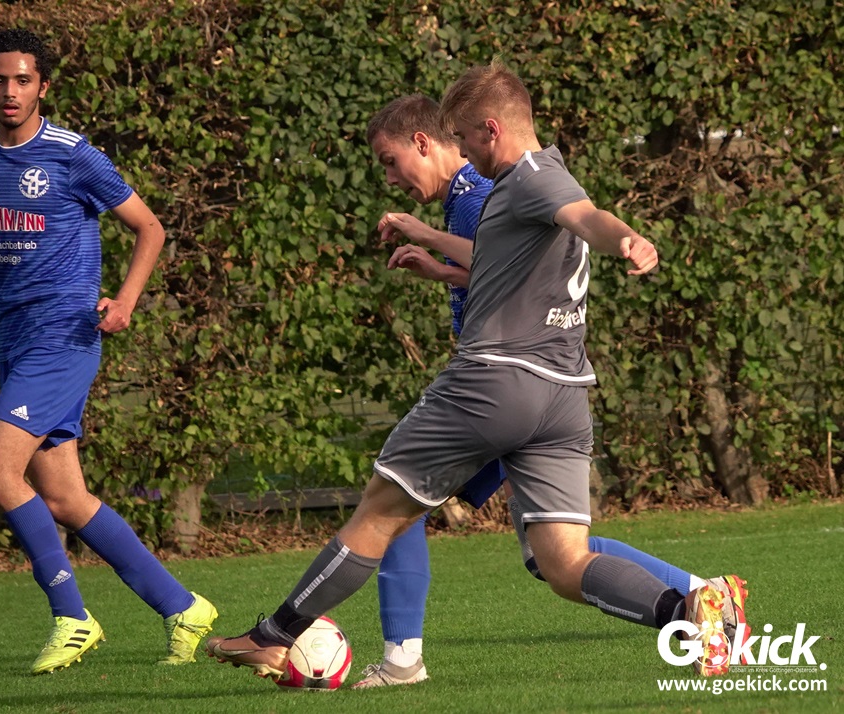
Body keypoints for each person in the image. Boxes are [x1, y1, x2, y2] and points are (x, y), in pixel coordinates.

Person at [205, 62, 749, 681]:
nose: (460, 152)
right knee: (563, 563)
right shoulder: (539, 175)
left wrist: (627, 238)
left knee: (380, 513)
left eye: (463, 138)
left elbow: (587, 217)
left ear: (492, 129)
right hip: (564, 396)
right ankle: (692, 610)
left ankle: (276, 637)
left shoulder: (532, 176)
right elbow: (516, 249)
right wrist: (439, 258)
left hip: (494, 383)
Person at [351, 95, 747, 688]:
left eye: (390, 161)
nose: (389, 178)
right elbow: (503, 272)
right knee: (555, 552)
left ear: (428, 143)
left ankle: (400, 658)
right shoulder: (481, 191)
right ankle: (705, 598)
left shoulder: (478, 193)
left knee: (399, 508)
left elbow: (512, 258)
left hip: (502, 385)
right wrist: (439, 267)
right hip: (524, 382)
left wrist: (426, 236)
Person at [0, 29, 217, 675]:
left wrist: (126, 301)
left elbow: (149, 227)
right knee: (66, 499)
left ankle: (72, 617)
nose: (10, 91)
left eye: (23, 80)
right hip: (13, 342)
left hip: (64, 337)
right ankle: (183, 607)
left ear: (42, 86)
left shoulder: (73, 156)